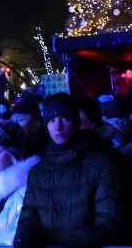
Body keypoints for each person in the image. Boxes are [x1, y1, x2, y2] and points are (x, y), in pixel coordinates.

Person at [14, 93, 123, 248]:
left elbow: (108, 219)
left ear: (75, 121)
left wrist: (73, 244)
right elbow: (30, 215)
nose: (57, 126)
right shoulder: (38, 172)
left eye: (64, 118)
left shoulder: (100, 164)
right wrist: (23, 238)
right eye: (51, 120)